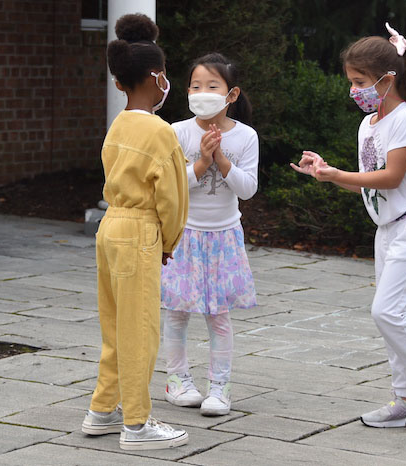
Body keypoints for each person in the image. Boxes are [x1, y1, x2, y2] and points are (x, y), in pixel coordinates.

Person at [291, 23, 406, 430]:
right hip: (386, 229)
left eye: (360, 81)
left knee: (386, 311)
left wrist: (337, 174)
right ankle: (404, 398)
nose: (354, 90)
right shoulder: (368, 125)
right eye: (351, 81)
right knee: (390, 313)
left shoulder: (405, 119)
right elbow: (370, 187)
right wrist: (326, 172)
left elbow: (391, 178)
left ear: (388, 79)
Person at [80, 13, 190, 450]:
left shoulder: (119, 125)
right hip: (140, 231)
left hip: (111, 227)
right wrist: (168, 242)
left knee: (115, 325)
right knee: (141, 327)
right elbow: (173, 199)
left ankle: (103, 409)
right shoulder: (160, 131)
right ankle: (137, 424)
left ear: (119, 81)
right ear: (156, 76)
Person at [160, 53, 258, 416]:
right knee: (176, 312)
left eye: (212, 86)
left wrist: (222, 160)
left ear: (231, 95)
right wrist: (200, 162)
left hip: (224, 237)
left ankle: (220, 387)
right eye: (196, 86)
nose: (202, 93)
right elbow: (170, 187)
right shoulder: (176, 132)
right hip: (183, 235)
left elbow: (248, 189)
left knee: (219, 316)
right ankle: (177, 381)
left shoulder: (246, 136)